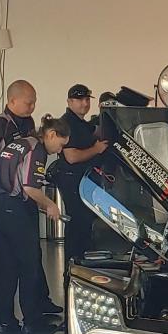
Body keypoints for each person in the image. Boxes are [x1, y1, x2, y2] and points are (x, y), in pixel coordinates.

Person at [0, 80, 60, 316]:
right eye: (28, 102)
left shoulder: (28, 124)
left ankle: (35, 307)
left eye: (34, 102)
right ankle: (23, 319)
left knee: (30, 255)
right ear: (12, 101)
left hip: (19, 200)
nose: (32, 106)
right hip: (2, 198)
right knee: (12, 261)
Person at [0, 114, 67, 334]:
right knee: (29, 263)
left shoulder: (20, 143)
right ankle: (32, 322)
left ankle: (4, 322)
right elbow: (30, 187)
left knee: (6, 265)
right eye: (61, 144)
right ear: (51, 135)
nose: (59, 150)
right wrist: (50, 205)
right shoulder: (37, 149)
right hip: (11, 207)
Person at [56, 84, 109, 266]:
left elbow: (93, 131)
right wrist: (96, 149)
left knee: (85, 222)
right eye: (79, 100)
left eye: (87, 99)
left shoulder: (81, 123)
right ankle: (73, 266)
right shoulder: (67, 124)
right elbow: (71, 157)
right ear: (70, 101)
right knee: (78, 223)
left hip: (84, 180)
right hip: (72, 180)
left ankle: (82, 263)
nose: (84, 103)